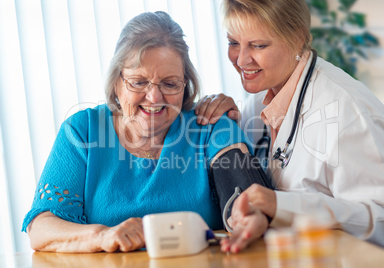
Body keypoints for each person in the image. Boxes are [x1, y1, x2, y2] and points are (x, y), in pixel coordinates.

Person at [21, 11, 272, 253]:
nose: (154, 97)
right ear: (117, 83)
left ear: (186, 86)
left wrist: (250, 217)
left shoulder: (210, 124)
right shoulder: (83, 131)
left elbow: (245, 195)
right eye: (139, 82)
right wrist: (101, 236)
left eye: (170, 84)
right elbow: (41, 228)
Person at [196, 0, 384, 254]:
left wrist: (282, 206)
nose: (240, 59)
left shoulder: (347, 112)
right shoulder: (256, 105)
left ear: (297, 38)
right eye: (233, 43)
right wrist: (229, 125)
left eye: (258, 45)